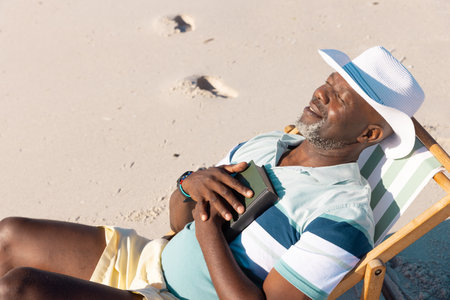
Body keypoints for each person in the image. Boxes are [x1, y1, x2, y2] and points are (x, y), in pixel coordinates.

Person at [0, 46, 425, 300]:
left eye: (339, 99)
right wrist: (190, 184)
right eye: (328, 83)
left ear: (369, 133)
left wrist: (208, 238)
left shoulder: (341, 219)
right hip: (153, 260)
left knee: (19, 289)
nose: (320, 94)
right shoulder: (269, 143)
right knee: (10, 235)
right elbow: (178, 222)